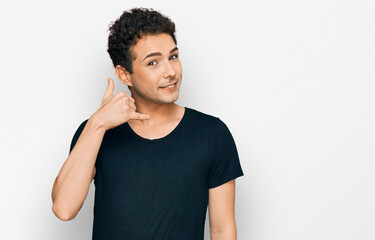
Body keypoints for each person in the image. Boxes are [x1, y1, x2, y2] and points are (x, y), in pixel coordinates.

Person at [51, 7, 244, 240]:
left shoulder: (212, 134)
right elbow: (63, 208)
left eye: (173, 57)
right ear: (124, 75)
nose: (170, 72)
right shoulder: (95, 132)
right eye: (153, 63)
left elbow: (222, 230)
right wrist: (98, 123)